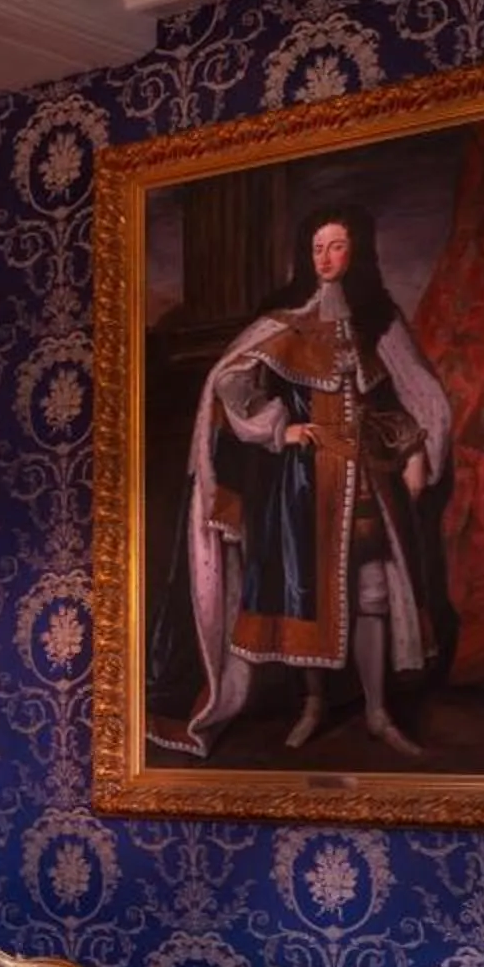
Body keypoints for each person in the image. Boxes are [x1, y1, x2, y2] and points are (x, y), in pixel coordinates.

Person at [170, 206, 453, 758]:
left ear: (357, 251)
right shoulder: (285, 320)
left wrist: (417, 449)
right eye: (318, 247)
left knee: (371, 593)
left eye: (338, 246)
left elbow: (416, 390)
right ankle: (313, 705)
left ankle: (376, 711)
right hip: (299, 487)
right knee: (305, 599)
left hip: (370, 480)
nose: (326, 257)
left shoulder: (377, 319)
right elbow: (228, 380)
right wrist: (280, 427)